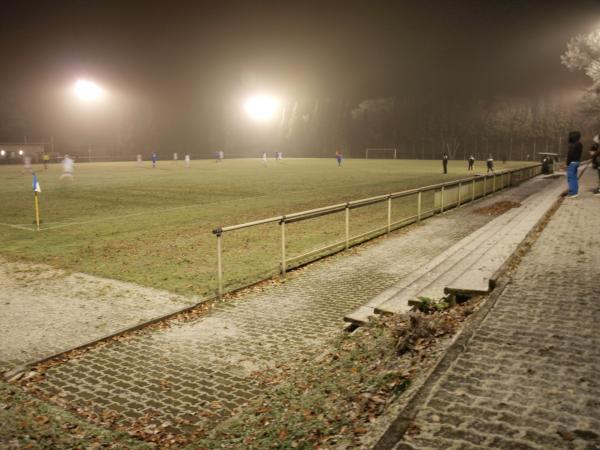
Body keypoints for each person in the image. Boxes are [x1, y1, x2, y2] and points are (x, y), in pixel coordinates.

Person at [566, 131, 582, 198]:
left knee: (571, 178)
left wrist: (567, 163)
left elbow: (570, 155)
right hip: (576, 162)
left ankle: (573, 193)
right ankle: (575, 191)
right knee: (574, 177)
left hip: (572, 163)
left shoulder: (573, 145)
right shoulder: (579, 144)